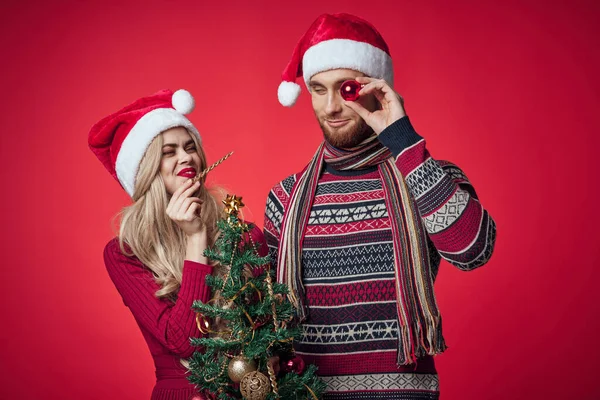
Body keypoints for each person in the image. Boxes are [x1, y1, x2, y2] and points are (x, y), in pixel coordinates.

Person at [265, 13, 497, 399]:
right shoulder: (284, 198)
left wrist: (403, 139)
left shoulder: (425, 174)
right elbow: (268, 320)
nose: (331, 106)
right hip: (306, 392)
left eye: (347, 88)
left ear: (377, 88)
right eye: (318, 89)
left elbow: (473, 251)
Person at [88, 89, 267, 400]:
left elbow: (272, 329)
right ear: (145, 171)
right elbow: (185, 342)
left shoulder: (244, 234)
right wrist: (196, 238)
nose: (186, 157)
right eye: (168, 152)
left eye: (189, 147)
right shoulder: (125, 253)